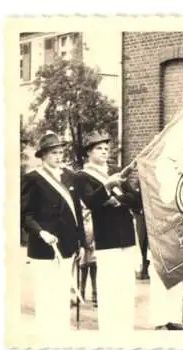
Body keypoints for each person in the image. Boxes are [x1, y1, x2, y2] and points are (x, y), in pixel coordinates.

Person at [75, 130, 141, 333]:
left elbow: (136, 200)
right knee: (109, 287)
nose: (104, 152)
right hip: (107, 238)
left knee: (126, 287)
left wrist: (115, 200)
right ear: (88, 153)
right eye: (98, 148)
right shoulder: (82, 176)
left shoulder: (117, 171)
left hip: (127, 236)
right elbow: (91, 201)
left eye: (106, 148)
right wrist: (108, 187)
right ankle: (109, 330)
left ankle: (125, 329)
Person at [21, 131, 85, 334]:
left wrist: (81, 243)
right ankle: (44, 339)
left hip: (66, 246)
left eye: (60, 152)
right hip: (43, 247)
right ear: (43, 156)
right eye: (54, 153)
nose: (59, 156)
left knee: (61, 295)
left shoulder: (69, 177)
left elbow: (77, 213)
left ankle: (61, 337)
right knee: (45, 296)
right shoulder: (32, 178)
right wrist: (41, 233)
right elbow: (24, 215)